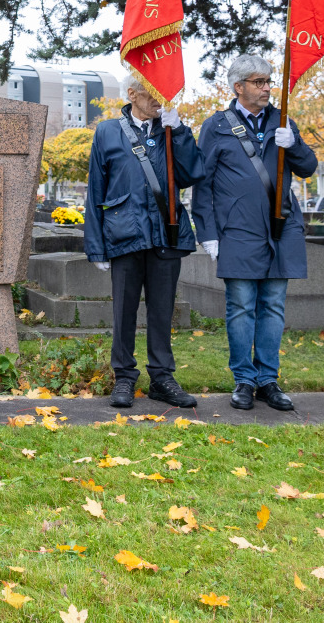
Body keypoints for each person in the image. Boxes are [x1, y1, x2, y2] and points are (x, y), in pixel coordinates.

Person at [191, 54, 318, 412]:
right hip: (237, 231)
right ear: (239, 86)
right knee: (241, 307)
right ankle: (244, 380)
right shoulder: (216, 126)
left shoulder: (283, 120)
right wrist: (208, 233)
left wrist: (294, 144)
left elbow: (308, 168)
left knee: (273, 306)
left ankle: (268, 380)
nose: (267, 88)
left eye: (268, 81)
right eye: (259, 82)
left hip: (280, 228)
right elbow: (203, 183)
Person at [84, 74, 202, 410]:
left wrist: (180, 132)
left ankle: (162, 378)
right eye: (152, 93)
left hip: (166, 232)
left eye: (162, 93)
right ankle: (124, 376)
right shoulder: (107, 131)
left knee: (162, 311)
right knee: (124, 310)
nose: (159, 100)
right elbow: (96, 190)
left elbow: (192, 173)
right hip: (124, 234)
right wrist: (96, 246)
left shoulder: (172, 129)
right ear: (132, 94)